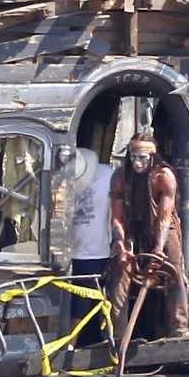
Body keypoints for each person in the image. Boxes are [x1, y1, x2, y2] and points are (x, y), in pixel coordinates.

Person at [107, 132, 189, 341]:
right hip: (131, 227)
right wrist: (121, 247)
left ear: (152, 157)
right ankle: (118, 333)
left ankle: (180, 327)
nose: (137, 163)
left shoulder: (164, 177)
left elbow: (164, 218)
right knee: (119, 273)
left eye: (142, 158)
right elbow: (116, 218)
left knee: (173, 269)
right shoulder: (120, 177)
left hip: (163, 228)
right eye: (133, 157)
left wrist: (158, 250)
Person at [69, 148, 114, 346]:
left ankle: (70, 347)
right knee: (76, 304)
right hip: (69, 251)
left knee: (82, 305)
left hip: (95, 252)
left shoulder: (107, 175)